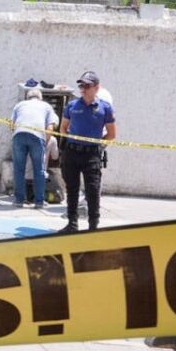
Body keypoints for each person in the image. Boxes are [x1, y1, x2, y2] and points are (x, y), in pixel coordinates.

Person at [59, 71, 116, 233]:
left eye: (87, 86)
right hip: (72, 152)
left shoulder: (105, 108)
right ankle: (72, 224)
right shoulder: (72, 105)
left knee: (92, 190)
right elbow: (63, 127)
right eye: (81, 85)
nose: (83, 89)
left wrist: (98, 146)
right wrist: (68, 142)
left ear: (96, 88)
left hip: (92, 154)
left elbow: (111, 135)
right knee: (72, 189)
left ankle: (93, 227)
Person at [10, 83, 59, 208]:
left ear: (28, 97)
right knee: (39, 170)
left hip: (19, 135)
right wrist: (45, 142)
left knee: (18, 169)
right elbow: (50, 127)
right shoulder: (47, 106)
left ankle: (19, 200)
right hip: (37, 136)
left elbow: (12, 125)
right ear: (40, 98)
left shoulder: (19, 105)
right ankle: (39, 201)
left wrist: (18, 135)